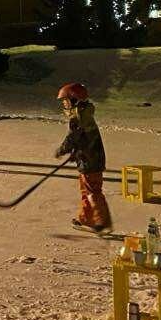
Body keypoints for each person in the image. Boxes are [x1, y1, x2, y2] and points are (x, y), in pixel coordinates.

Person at [55, 82, 112, 232]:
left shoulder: (79, 118)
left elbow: (72, 138)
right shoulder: (84, 115)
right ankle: (86, 219)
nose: (64, 104)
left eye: (66, 100)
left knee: (93, 191)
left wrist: (62, 150)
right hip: (89, 158)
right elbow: (84, 139)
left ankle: (101, 221)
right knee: (86, 191)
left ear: (74, 100)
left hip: (90, 161)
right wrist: (76, 153)